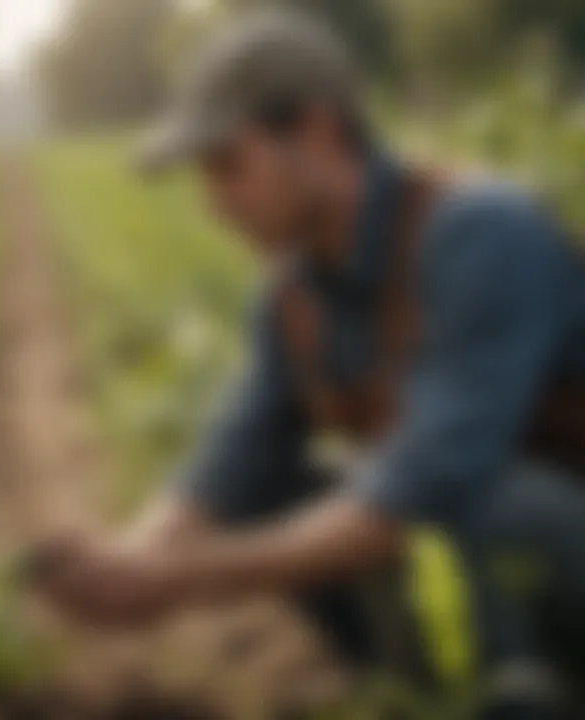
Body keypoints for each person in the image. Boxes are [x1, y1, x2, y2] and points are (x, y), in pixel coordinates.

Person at [33, 9, 585, 719]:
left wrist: (183, 580)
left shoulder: (480, 233)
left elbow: (421, 488)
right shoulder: (294, 298)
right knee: (285, 499)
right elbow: (229, 467)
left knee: (487, 506)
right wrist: (132, 562)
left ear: (320, 133)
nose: (214, 203)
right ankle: (420, 695)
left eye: (228, 165)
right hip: (486, 555)